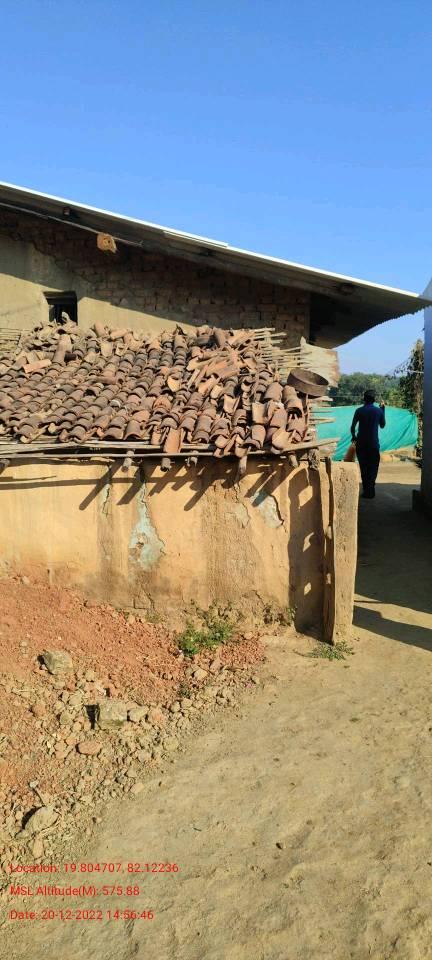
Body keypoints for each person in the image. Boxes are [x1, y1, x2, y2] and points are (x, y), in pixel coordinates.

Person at [351, 390, 386, 499]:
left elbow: (352, 427)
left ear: (364, 399)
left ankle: (367, 490)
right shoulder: (378, 411)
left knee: (364, 468)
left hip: (361, 444)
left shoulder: (359, 411)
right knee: (373, 468)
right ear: (374, 399)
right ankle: (370, 490)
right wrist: (383, 410)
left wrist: (354, 437)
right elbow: (382, 425)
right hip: (373, 445)